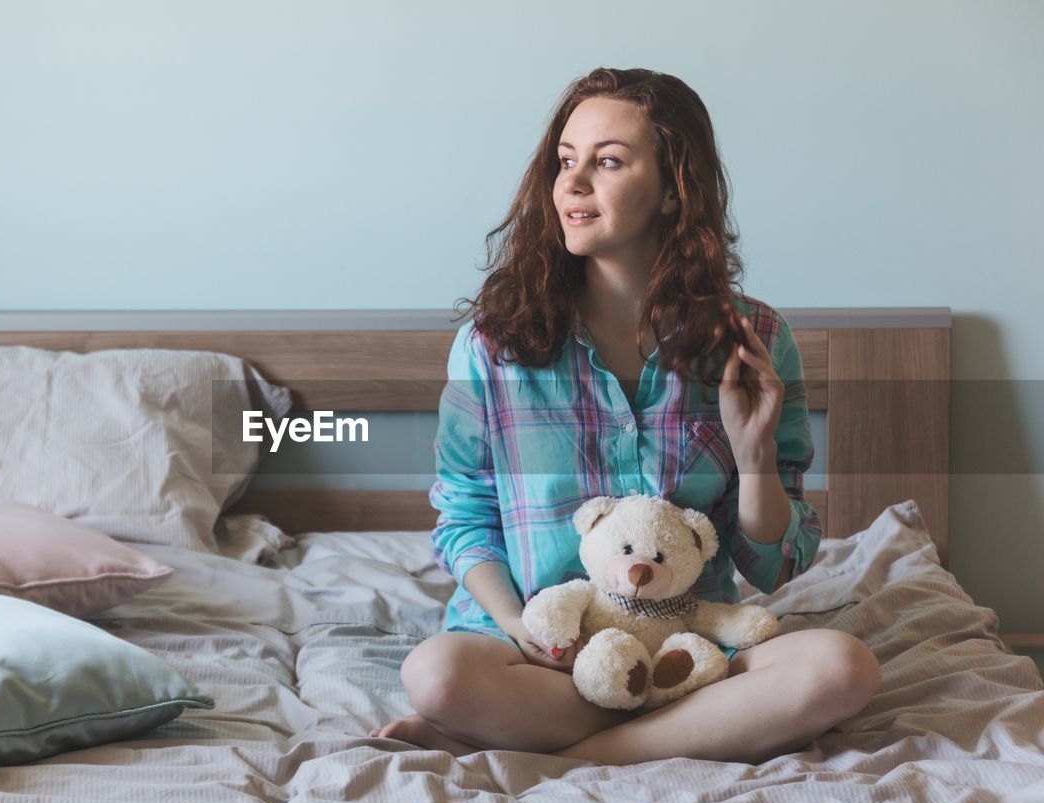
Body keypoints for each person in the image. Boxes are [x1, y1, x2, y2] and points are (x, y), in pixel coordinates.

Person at [369, 68, 881, 764]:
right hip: (539, 656)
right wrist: (522, 626)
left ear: (675, 188)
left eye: (607, 161)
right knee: (435, 673)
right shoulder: (493, 344)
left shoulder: (752, 338)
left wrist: (755, 453)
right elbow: (463, 515)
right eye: (565, 161)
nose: (572, 184)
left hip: (687, 651)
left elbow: (775, 565)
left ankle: (575, 753)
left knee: (842, 668)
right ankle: (679, 734)